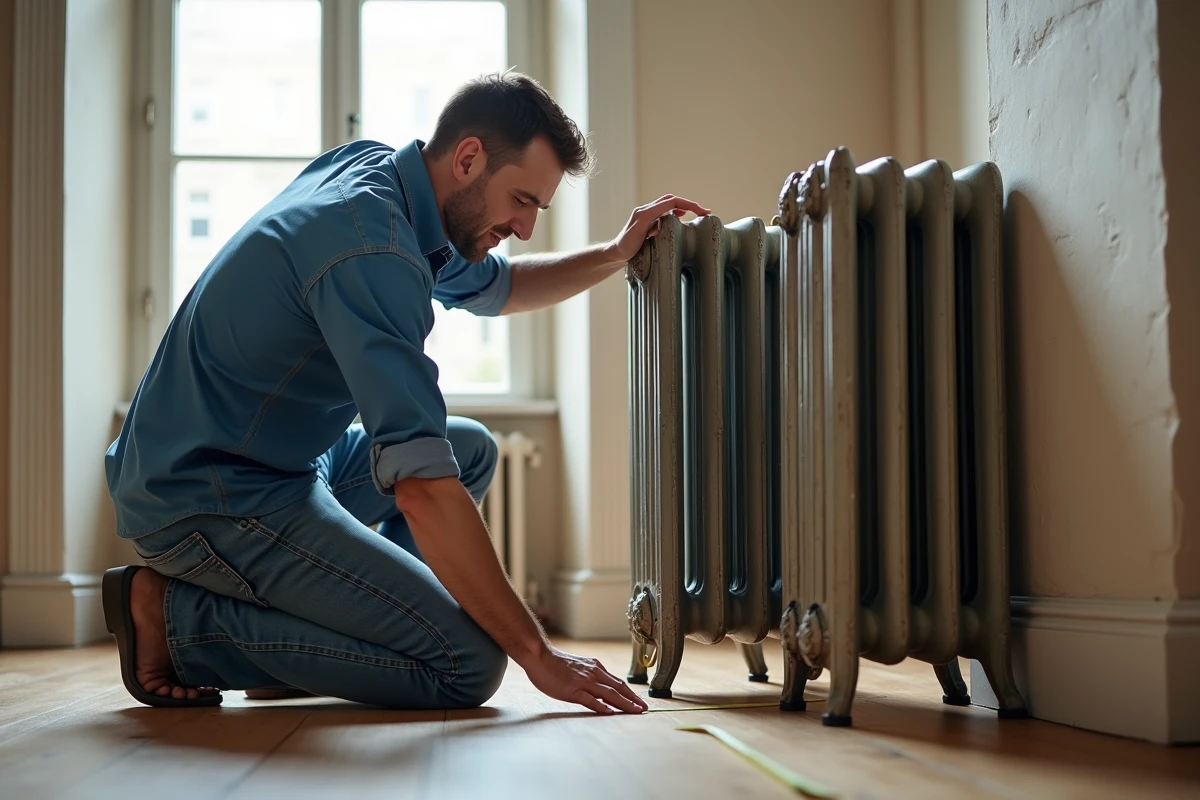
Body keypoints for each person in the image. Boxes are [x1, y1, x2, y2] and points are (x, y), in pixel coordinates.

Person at [101, 70, 710, 715]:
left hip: (269, 458)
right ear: (469, 158)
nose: (527, 227)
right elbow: (419, 488)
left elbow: (500, 289)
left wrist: (617, 254)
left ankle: (323, 638)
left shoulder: (375, 175)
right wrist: (541, 657)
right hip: (208, 493)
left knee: (469, 448)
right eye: (522, 200)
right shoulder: (374, 250)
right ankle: (175, 622)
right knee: (467, 665)